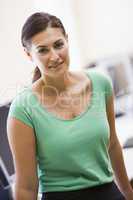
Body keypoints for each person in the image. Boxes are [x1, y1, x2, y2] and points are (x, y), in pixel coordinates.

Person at [6, 12, 133, 200]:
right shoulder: (23, 108)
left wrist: (128, 194)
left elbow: (113, 145)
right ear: (28, 54)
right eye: (42, 50)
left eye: (58, 45)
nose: (55, 56)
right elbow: (26, 187)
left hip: (107, 193)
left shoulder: (100, 84)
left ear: (67, 40)